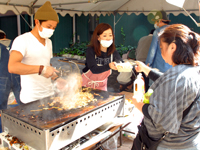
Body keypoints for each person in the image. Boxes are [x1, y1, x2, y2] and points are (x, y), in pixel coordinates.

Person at [132, 24, 200, 150]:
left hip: (170, 145)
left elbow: (159, 118)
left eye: (162, 47)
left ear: (172, 47)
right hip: (191, 142)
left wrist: (139, 105)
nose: (161, 52)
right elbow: (168, 81)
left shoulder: (177, 77)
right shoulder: (193, 70)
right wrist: (146, 69)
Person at [8, 1, 63, 104]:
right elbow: (12, 66)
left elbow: (46, 64)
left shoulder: (49, 42)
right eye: (48, 26)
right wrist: (41, 69)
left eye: (53, 28)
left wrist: (56, 78)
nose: (51, 30)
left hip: (49, 95)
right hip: (31, 98)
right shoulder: (22, 40)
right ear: (37, 22)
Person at [82, 23, 122, 91]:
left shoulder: (113, 52)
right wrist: (108, 66)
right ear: (98, 37)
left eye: (110, 35)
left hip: (102, 87)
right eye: (104, 35)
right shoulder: (90, 50)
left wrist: (124, 64)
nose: (108, 38)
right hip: (87, 85)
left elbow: (120, 62)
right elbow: (94, 69)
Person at [0, 30, 21, 133]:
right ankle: (24, 126)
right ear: (5, 35)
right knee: (22, 103)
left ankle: (2, 130)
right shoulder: (15, 43)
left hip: (2, 78)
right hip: (17, 76)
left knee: (1, 107)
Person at [145, 10, 172, 86]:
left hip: (158, 67)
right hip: (171, 68)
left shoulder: (158, 31)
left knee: (155, 91)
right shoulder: (173, 31)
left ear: (159, 21)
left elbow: (152, 51)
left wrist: (147, 65)